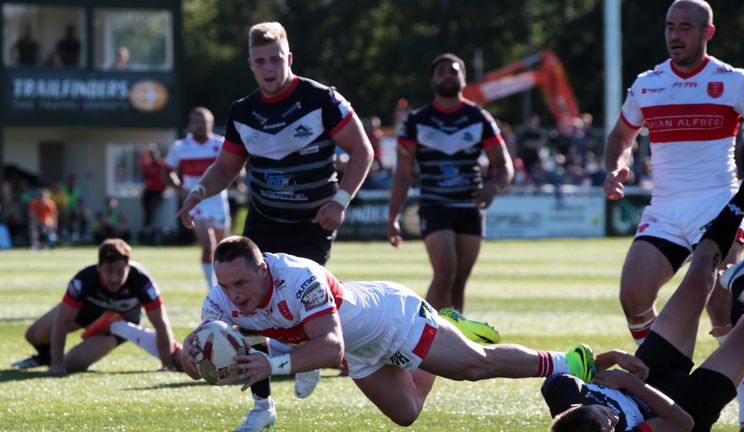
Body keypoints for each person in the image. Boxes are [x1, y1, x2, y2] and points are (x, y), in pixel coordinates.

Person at [180, 235, 598, 430]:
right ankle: (446, 325)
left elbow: (330, 347)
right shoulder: (220, 301)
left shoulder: (298, 276)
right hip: (362, 351)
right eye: (225, 285)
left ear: (263, 268)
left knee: (474, 366)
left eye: (241, 285)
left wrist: (269, 364)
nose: (234, 298)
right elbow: (199, 356)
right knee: (406, 415)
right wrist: (195, 360)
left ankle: (568, 362)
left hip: (391, 317)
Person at [175, 22, 374, 431]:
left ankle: (308, 355)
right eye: (260, 61)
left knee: (301, 302)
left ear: (289, 58)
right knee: (247, 309)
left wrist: (340, 201)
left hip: (312, 220)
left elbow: (362, 150)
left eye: (275, 59)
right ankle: (263, 408)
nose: (268, 67)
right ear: (251, 64)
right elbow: (226, 167)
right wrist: (198, 192)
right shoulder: (243, 111)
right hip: (263, 219)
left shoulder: (321, 99)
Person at [602, 1, 744, 429]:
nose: (676, 36)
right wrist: (616, 166)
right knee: (633, 295)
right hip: (665, 210)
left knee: (721, 311)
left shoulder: (733, 82)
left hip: (718, 206)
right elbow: (622, 133)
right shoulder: (647, 84)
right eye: (670, 27)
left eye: (686, 28)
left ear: (707, 33)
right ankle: (662, 377)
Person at [548, 131, 744, 432]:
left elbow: (565, 373)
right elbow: (682, 422)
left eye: (607, 424)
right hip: (685, 409)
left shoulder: (562, 393)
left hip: (652, 373)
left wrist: (613, 357)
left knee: (700, 275)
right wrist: (629, 384)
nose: (614, 425)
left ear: (578, 409)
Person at [387, 53, 512, 343]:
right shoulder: (416, 122)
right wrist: (392, 215)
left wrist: (493, 188)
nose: (447, 76)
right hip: (435, 206)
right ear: (432, 80)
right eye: (441, 72)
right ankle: (419, 338)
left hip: (471, 208)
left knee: (459, 281)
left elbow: (504, 164)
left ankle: (455, 343)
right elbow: (403, 176)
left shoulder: (479, 117)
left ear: (463, 79)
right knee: (445, 272)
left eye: (453, 72)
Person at [11, 239, 183, 373]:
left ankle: (57, 358)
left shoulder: (142, 281)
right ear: (99, 267)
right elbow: (62, 321)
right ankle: (46, 357)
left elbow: (161, 323)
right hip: (87, 313)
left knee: (70, 363)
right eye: (109, 272)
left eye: (120, 272)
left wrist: (167, 363)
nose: (114, 278)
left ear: (128, 268)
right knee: (33, 335)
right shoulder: (84, 279)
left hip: (117, 325)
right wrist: (55, 364)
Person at [165, 107, 230, 290]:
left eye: (204, 122)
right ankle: (212, 289)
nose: (200, 125)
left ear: (211, 124)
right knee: (208, 245)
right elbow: (166, 172)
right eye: (196, 122)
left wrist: (237, 181)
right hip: (195, 201)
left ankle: (222, 284)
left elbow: (234, 167)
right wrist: (180, 189)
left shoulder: (221, 144)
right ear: (190, 125)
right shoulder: (180, 147)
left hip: (218, 200)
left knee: (221, 248)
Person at [139, 144, 167, 242]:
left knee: (151, 206)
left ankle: (149, 229)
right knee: (146, 207)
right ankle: (146, 229)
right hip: (149, 191)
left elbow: (167, 178)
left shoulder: (162, 165)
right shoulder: (148, 166)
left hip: (158, 191)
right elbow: (144, 178)